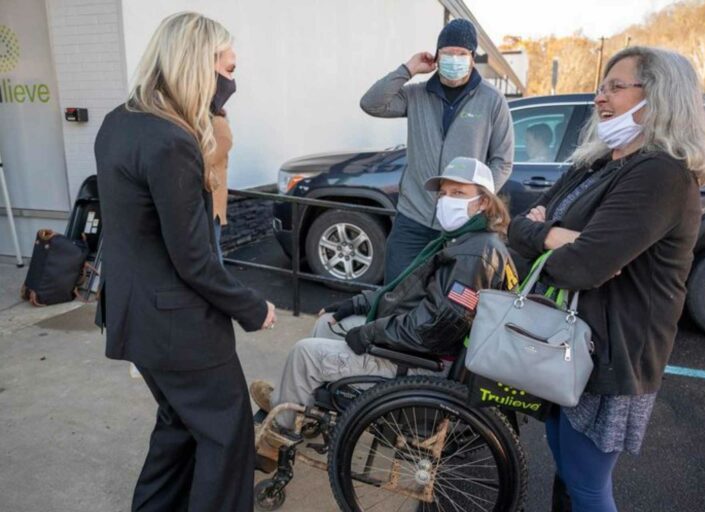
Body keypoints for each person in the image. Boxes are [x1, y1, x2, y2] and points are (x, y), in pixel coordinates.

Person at [507, 47, 705, 512]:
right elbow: (519, 224)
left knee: (586, 483)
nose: (599, 98)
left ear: (660, 96)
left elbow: (581, 266)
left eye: (615, 87)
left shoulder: (660, 174)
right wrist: (552, 235)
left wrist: (556, 241)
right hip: (569, 341)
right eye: (600, 88)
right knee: (565, 467)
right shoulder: (600, 162)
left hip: (614, 351)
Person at [94, 12, 276, 512]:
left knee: (178, 430)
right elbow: (193, 258)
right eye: (229, 68)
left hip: (136, 317)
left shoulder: (119, 122)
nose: (232, 82)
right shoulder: (172, 140)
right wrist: (251, 306)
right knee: (226, 435)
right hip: (177, 326)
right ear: (200, 65)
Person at [250, 157, 517, 433]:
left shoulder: (473, 255)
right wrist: (355, 303)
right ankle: (301, 406)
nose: (447, 200)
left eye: (459, 193)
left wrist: (370, 333)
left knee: (304, 354)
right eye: (444, 193)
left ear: (484, 201)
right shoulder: (463, 241)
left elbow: (434, 327)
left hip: (424, 366)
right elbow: (407, 292)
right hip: (419, 346)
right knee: (327, 322)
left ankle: (278, 436)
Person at [360, 19, 514, 284]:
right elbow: (371, 104)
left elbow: (503, 161)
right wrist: (408, 69)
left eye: (462, 54)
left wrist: (475, 202)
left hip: (461, 223)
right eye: (447, 53)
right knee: (396, 292)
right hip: (413, 220)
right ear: (436, 56)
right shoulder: (416, 95)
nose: (454, 59)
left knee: (446, 305)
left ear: (472, 58)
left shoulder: (492, 101)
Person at [207, 48, 237, 262]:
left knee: (212, 254)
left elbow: (205, 162)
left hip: (211, 204)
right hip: (206, 203)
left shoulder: (218, 125)